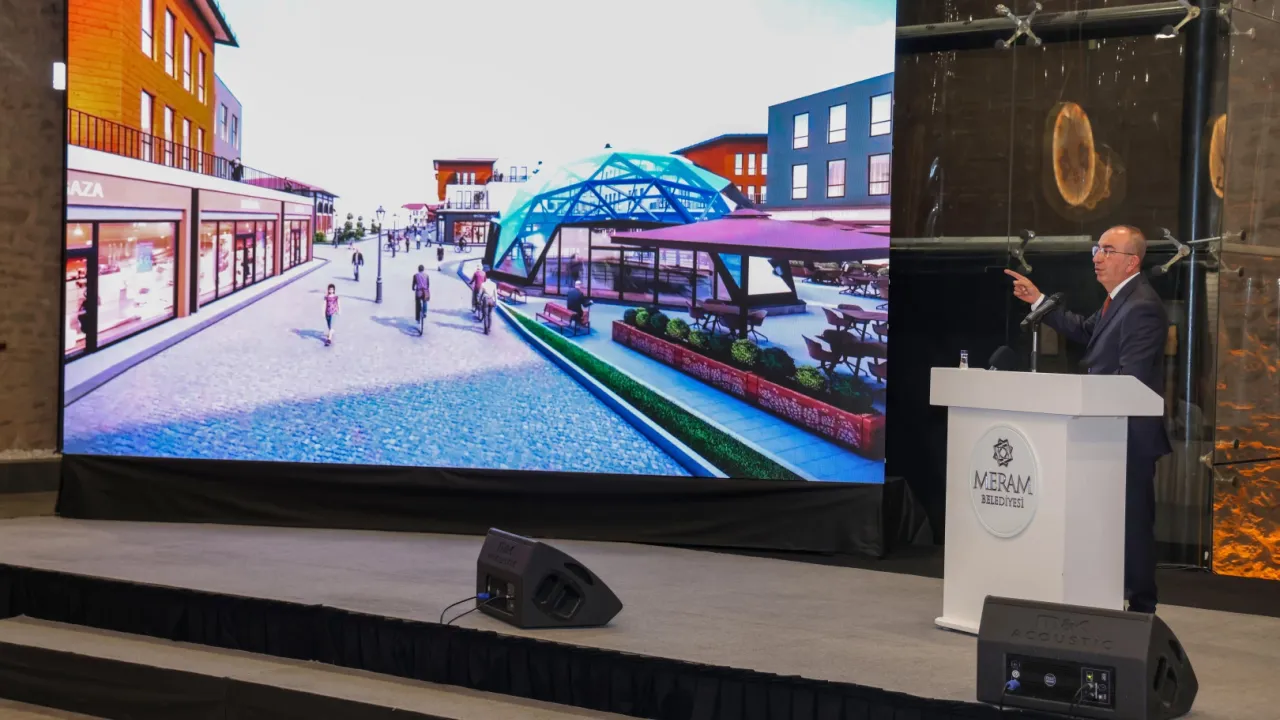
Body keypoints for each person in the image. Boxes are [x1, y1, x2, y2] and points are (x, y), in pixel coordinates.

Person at [1005, 224, 1171, 614]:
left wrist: (1086, 394)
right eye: (1097, 248)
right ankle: (1108, 595)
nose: (1097, 257)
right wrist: (1038, 300)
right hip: (1107, 432)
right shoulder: (1119, 300)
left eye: (1108, 250)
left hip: (1128, 435)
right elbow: (1084, 330)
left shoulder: (1142, 305)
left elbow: (1130, 379)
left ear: (1132, 261)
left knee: (1131, 522)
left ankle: (1142, 608)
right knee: (1108, 521)